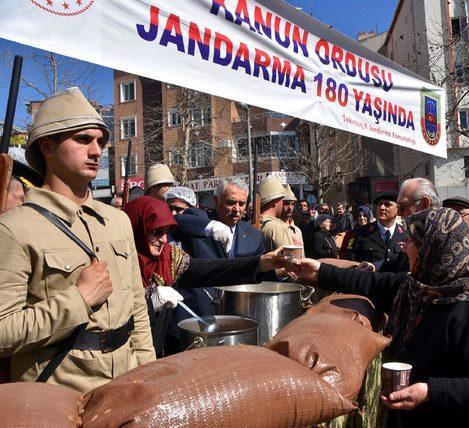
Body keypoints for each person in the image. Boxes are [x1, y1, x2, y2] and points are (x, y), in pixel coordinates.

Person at [296, 208, 469, 427]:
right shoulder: (418, 290)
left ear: (433, 248)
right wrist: (318, 271)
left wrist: (430, 392)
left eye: (411, 241)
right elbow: (372, 283)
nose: (404, 246)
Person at [0, 87, 154, 392]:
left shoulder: (117, 221)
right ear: (47, 146)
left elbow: (137, 308)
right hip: (57, 395)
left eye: (100, 141)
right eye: (83, 140)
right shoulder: (14, 229)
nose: (97, 151)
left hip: (125, 387)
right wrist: (78, 300)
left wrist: (147, 376)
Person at [123, 196, 286, 356]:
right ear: (137, 229)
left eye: (166, 232)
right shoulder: (119, 264)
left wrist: (262, 263)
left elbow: (211, 270)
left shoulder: (168, 258)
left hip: (155, 353)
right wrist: (149, 303)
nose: (164, 239)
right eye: (157, 232)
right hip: (123, 356)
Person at [353, 191, 407, 272]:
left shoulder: (405, 234)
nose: (381, 207)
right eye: (379, 204)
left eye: (387, 204)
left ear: (398, 209)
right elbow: (351, 262)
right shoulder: (361, 232)